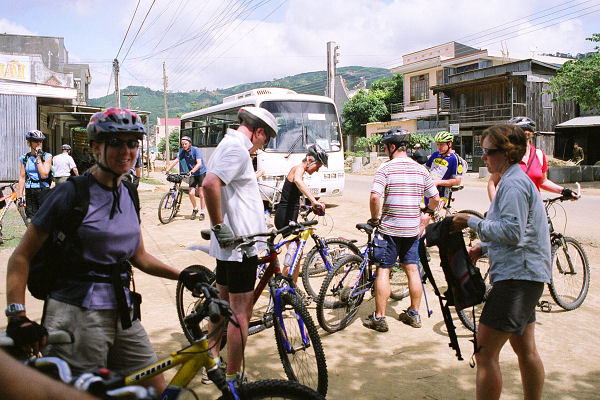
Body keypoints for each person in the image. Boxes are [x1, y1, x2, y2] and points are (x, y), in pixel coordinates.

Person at [5, 108, 199, 395]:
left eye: (132, 143)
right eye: (116, 142)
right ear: (96, 147)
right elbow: (21, 256)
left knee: (157, 390)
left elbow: (139, 256)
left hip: (123, 311)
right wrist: (17, 316)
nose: (126, 151)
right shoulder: (71, 193)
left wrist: (183, 275)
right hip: (76, 315)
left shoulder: (128, 192)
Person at [451, 124, 551, 400]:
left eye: (488, 152)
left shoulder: (514, 184)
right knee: (525, 349)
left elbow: (512, 232)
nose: (483, 157)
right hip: (526, 277)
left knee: (484, 353)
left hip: (517, 279)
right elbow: (519, 231)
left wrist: (469, 221)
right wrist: (483, 247)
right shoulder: (512, 180)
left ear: (507, 153)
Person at [202, 106, 278, 385]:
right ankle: (233, 378)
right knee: (240, 314)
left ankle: (211, 364)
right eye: (265, 139)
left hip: (230, 247)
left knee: (221, 307)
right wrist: (219, 225)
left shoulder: (227, 144)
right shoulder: (237, 149)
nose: (262, 145)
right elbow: (209, 184)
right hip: (241, 246)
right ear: (258, 131)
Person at [364, 129, 440, 332]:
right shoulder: (421, 169)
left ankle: (380, 318)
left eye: (385, 147)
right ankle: (414, 314)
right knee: (412, 269)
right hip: (412, 230)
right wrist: (426, 214)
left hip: (390, 229)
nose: (385, 151)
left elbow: (375, 197)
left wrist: (374, 218)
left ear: (392, 147)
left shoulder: (385, 168)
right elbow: (435, 198)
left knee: (384, 270)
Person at [487, 117, 580, 201]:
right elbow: (492, 183)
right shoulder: (505, 156)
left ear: (528, 134)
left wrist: (564, 191)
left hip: (535, 208)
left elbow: (543, 182)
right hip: (511, 208)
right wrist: (495, 207)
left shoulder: (539, 155)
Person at [274, 144, 327, 282]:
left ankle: (292, 286)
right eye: (318, 166)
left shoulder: (301, 172)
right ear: (309, 160)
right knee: (294, 254)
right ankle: (285, 286)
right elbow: (297, 181)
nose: (317, 170)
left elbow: (293, 195)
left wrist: (308, 206)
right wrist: (314, 200)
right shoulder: (298, 169)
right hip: (285, 218)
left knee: (297, 252)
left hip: (289, 217)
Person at [164, 136, 207, 220]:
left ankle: (202, 212)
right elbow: (176, 161)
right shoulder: (183, 152)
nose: (184, 145)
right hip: (192, 174)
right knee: (191, 193)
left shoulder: (195, 150)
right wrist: (167, 170)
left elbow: (199, 163)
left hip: (201, 173)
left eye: (185, 144)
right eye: (182, 144)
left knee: (201, 193)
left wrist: (192, 171)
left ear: (190, 144)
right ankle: (195, 209)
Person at [18, 130, 53, 222]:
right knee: (31, 219)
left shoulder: (47, 156)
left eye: (40, 141)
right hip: (30, 190)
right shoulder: (25, 158)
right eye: (35, 141)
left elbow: (44, 174)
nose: (38, 143)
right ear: (29, 143)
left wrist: (38, 157)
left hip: (42, 190)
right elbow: (22, 177)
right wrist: (20, 195)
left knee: (44, 218)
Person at [424, 131, 461, 207]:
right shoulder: (435, 155)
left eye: (441, 144)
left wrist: (438, 182)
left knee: (430, 211)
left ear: (449, 144)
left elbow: (457, 181)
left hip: (443, 193)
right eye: (437, 144)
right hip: (429, 189)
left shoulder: (455, 158)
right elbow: (425, 168)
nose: (439, 147)